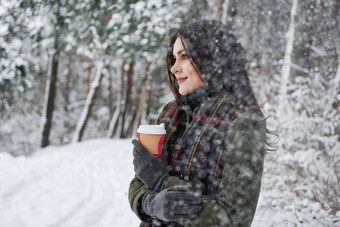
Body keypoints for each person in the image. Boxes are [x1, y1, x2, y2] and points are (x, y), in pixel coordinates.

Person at [129, 20, 268, 227]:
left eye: (184, 56)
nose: (174, 68)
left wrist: (162, 183)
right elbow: (138, 182)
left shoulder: (244, 123)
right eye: (174, 58)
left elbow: (233, 220)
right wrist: (152, 205)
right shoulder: (169, 114)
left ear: (214, 58)